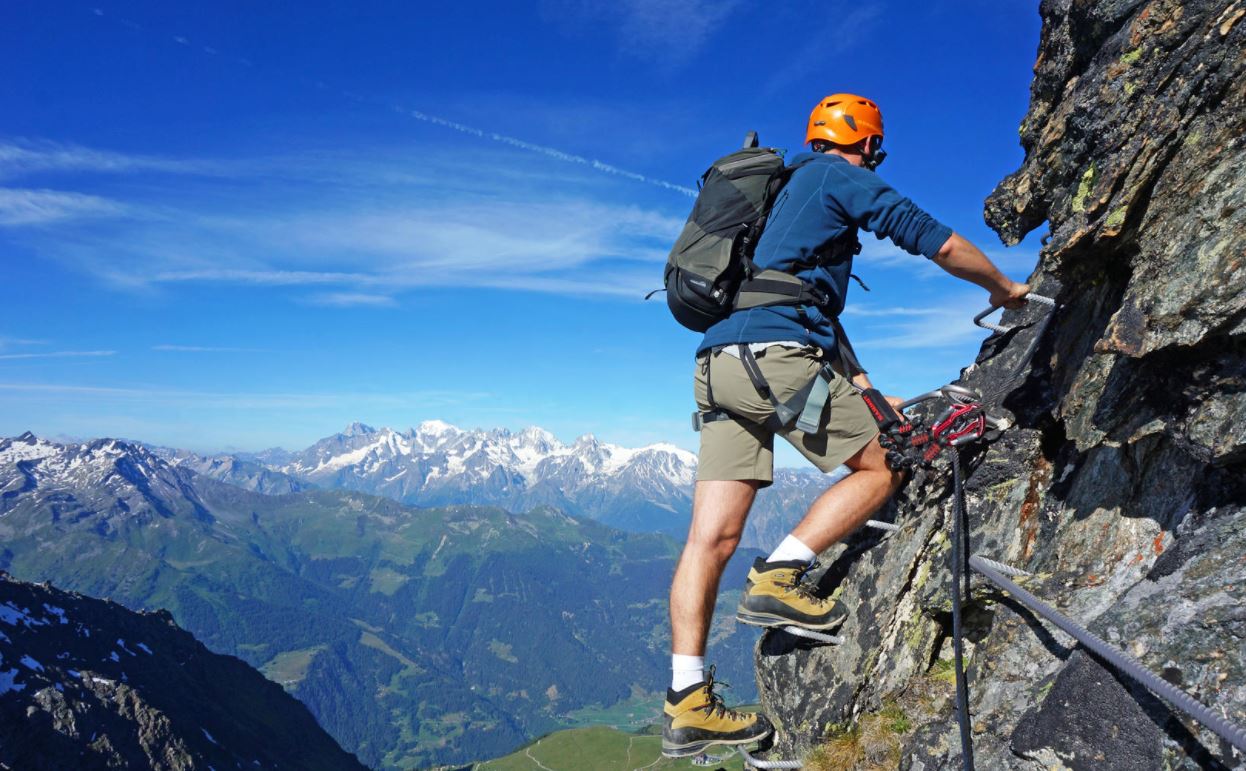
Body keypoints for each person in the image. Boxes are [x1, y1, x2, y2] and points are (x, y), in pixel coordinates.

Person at [661, 93, 1031, 758]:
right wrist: (1004, 289)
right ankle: (779, 575)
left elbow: (802, 304)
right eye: (875, 150)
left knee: (707, 538)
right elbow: (938, 241)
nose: (875, 159)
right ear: (865, 144)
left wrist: (862, 389)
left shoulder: (778, 196)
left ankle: (686, 699)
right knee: (878, 469)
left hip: (718, 365)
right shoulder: (842, 177)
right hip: (777, 361)